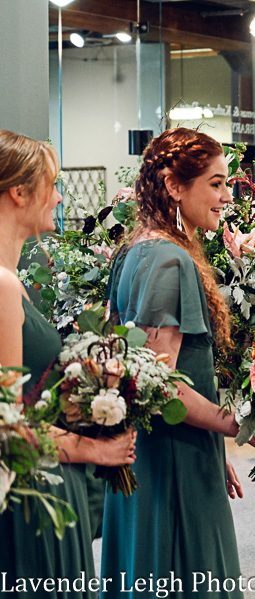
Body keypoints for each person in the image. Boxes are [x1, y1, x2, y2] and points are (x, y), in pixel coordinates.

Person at [101, 128, 255, 598]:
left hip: (161, 449)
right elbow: (158, 383)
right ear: (174, 186)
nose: (227, 196)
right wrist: (244, 429)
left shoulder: (136, 251)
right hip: (170, 460)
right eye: (215, 183)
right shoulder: (169, 261)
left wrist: (210, 444)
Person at [0, 129, 136, 598]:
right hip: (32, 494)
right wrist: (91, 449)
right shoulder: (1, 285)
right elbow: (7, 423)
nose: (60, 196)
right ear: (19, 192)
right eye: (53, 183)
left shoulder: (11, 280)